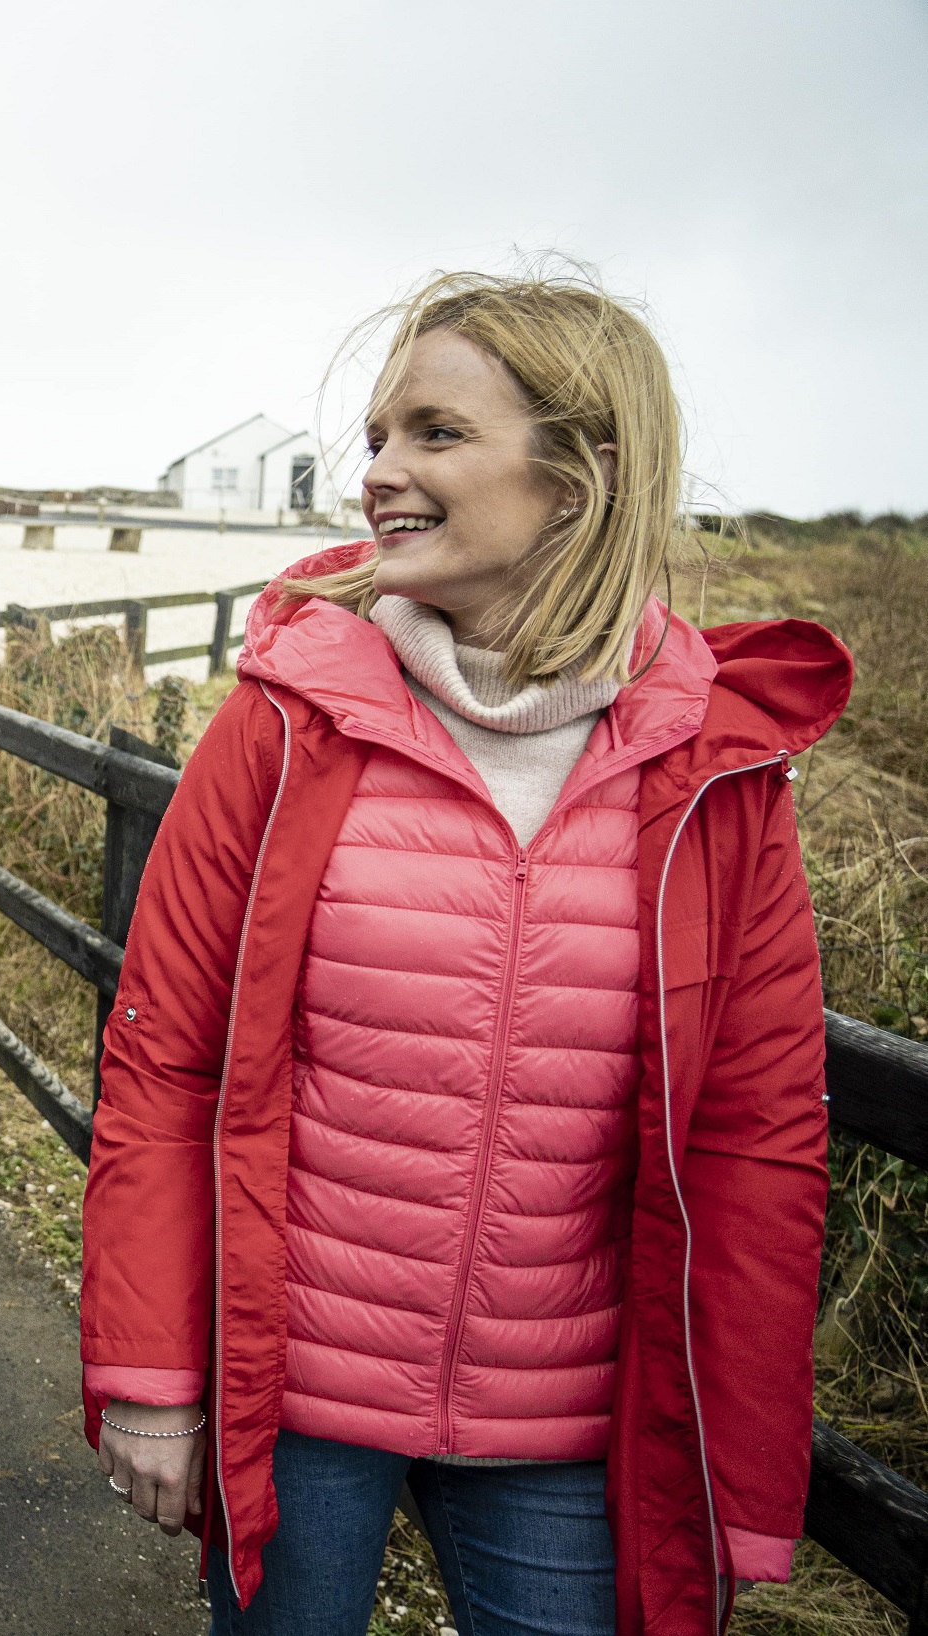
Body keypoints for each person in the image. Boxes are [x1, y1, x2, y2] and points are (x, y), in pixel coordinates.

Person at [79, 269, 850, 1635]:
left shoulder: (718, 779)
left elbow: (756, 1144)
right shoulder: (285, 721)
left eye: (433, 434)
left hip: (561, 1428)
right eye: (376, 436)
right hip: (293, 1395)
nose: (377, 472)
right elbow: (166, 1060)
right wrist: (149, 1369)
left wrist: (738, 1466)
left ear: (577, 480)